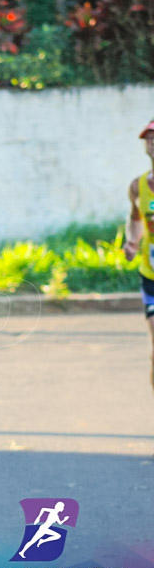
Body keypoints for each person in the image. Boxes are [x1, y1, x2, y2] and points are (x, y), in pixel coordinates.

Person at [123, 118, 154, 394]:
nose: (152, 142)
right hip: (151, 275)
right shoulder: (138, 186)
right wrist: (132, 242)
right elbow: (135, 218)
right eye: (149, 138)